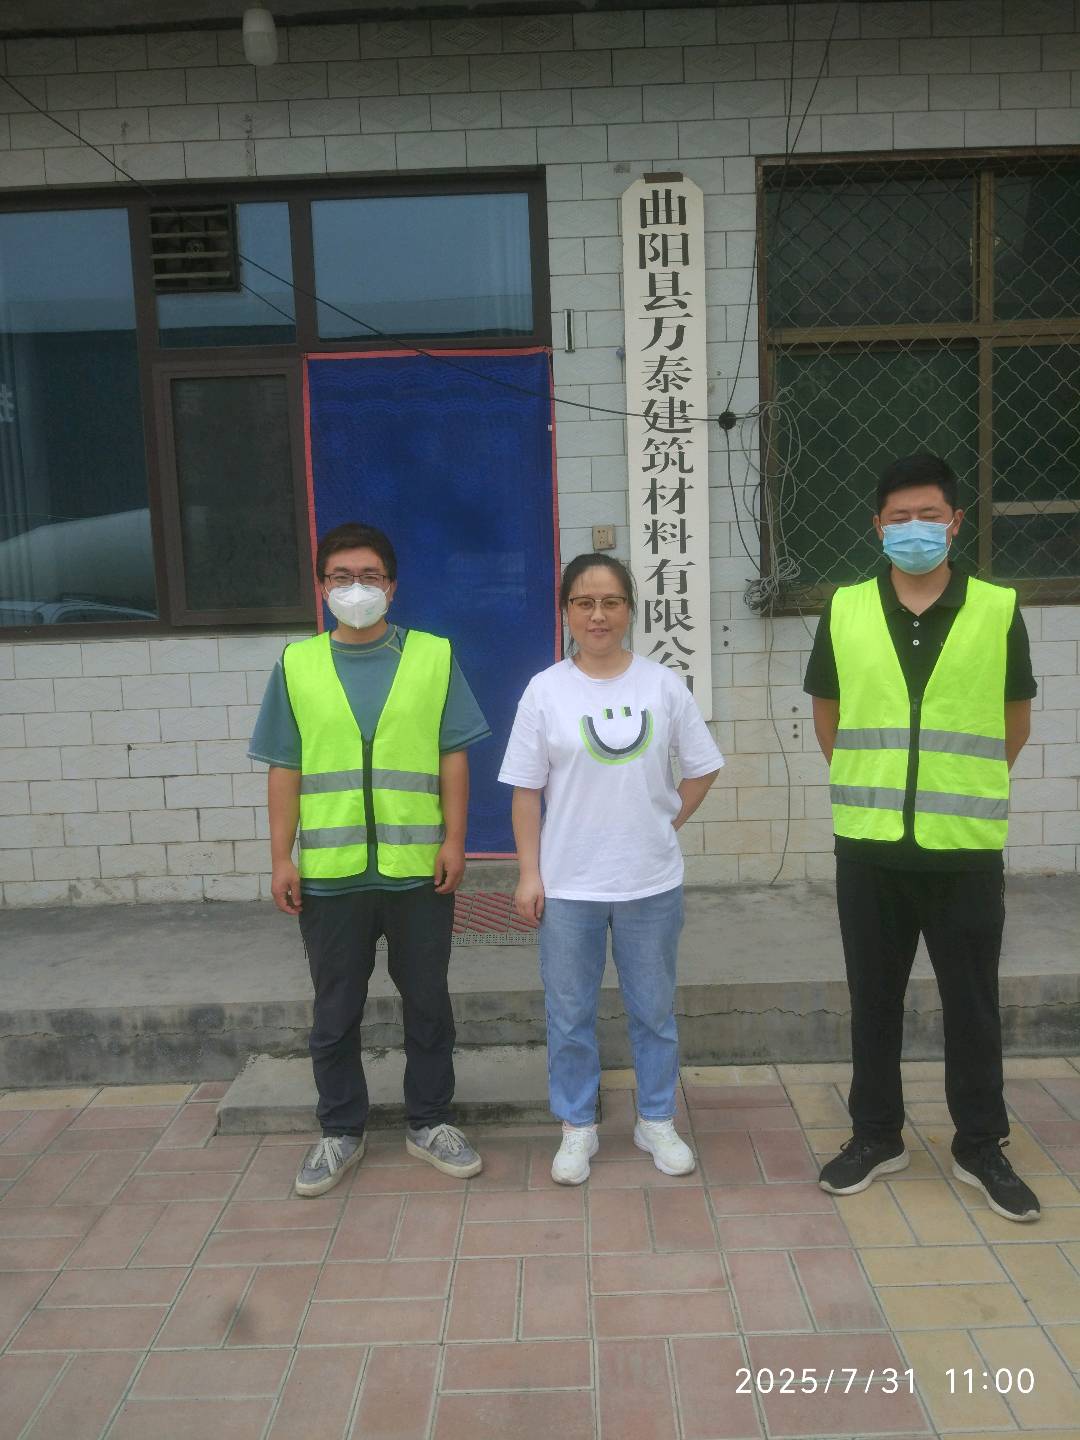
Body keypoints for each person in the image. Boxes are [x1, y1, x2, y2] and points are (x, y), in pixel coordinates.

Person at [805, 453, 1040, 1222]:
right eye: (899, 517)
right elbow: (829, 716)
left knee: (972, 1003)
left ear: (955, 522)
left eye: (929, 516)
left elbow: (1012, 722)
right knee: (873, 999)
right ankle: (877, 1135)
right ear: (877, 526)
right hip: (869, 847)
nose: (915, 529)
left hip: (963, 848)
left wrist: (957, 789)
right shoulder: (845, 608)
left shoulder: (997, 609)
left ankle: (980, 1144)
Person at [249, 521, 491, 1196]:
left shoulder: (433, 656)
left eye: (370, 576)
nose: (356, 588)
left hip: (418, 869)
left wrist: (455, 841)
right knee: (335, 1011)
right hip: (331, 875)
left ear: (392, 586)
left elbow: (453, 755)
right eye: (341, 577)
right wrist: (280, 857)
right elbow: (284, 767)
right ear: (322, 587)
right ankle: (340, 1131)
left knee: (429, 1004)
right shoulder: (296, 664)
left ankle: (430, 1121)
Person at [499, 553, 723, 1185]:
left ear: (630, 610)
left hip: (650, 882)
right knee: (569, 1015)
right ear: (566, 611)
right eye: (583, 603)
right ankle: (577, 1126)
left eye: (611, 602)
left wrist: (668, 821)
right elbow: (525, 791)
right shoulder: (545, 690)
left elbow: (703, 766)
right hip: (568, 885)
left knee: (653, 1011)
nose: (597, 615)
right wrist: (528, 873)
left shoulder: (662, 686)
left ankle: (656, 1119)